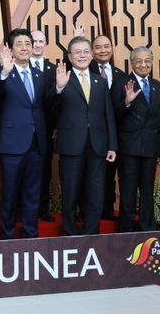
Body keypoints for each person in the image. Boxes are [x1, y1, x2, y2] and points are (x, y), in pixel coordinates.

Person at [0, 29, 49, 239]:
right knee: (10, 194)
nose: (24, 48)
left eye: (27, 44)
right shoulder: (2, 72)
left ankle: (31, 236)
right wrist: (4, 73)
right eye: (19, 44)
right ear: (10, 49)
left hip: (36, 143)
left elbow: (45, 107)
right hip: (12, 143)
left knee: (33, 194)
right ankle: (7, 237)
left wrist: (58, 89)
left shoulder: (40, 74)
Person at [53, 36, 117, 236]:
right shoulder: (63, 78)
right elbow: (49, 109)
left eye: (85, 52)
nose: (82, 55)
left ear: (91, 55)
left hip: (97, 145)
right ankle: (70, 232)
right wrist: (59, 88)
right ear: (70, 57)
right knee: (71, 192)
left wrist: (112, 145)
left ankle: (92, 232)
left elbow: (108, 114)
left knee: (96, 192)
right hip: (72, 144)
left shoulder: (100, 81)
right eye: (77, 52)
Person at [110, 46, 160, 232]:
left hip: (151, 147)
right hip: (128, 147)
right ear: (131, 62)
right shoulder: (121, 83)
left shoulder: (158, 86)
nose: (143, 64)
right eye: (139, 61)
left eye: (147, 61)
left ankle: (147, 228)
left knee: (147, 190)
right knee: (127, 191)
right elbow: (112, 115)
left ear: (151, 62)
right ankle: (126, 229)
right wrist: (126, 102)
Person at [91, 35, 127, 220]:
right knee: (90, 174)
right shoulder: (84, 70)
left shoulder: (121, 75)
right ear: (92, 50)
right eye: (98, 47)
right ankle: (86, 211)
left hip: (115, 134)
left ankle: (107, 209)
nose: (103, 50)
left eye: (106, 46)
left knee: (109, 173)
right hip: (91, 132)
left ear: (112, 49)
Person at [30, 29, 57, 222]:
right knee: (24, 171)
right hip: (23, 128)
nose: (38, 44)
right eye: (34, 41)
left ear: (46, 44)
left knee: (44, 170)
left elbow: (59, 100)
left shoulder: (54, 69)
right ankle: (22, 209)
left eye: (41, 41)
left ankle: (42, 209)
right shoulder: (17, 66)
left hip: (46, 130)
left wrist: (56, 126)